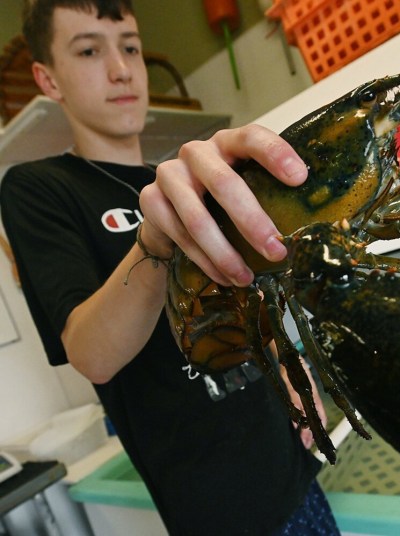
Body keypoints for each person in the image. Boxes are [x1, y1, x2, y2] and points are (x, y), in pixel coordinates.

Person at [1, 1, 339, 534]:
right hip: (216, 508)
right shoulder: (38, 188)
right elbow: (90, 354)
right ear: (49, 78)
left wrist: (296, 374)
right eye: (89, 49)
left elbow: (247, 289)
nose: (121, 68)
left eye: (130, 47)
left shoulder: (180, 175)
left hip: (291, 463)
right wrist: (157, 239)